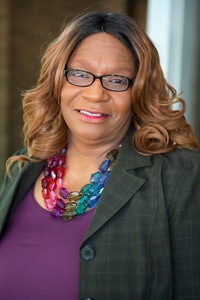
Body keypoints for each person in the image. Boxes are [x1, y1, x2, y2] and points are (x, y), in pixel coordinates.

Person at [0, 11, 199, 300]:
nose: (95, 94)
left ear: (139, 91)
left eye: (117, 80)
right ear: (58, 81)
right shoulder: (22, 167)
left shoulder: (180, 176)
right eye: (80, 74)